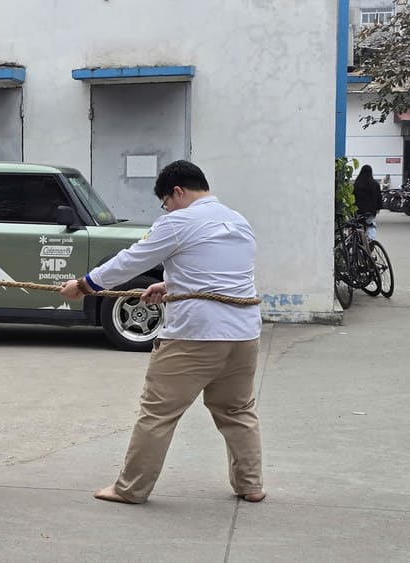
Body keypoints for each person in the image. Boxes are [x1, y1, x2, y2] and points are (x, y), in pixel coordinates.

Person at [59, 160, 264, 505]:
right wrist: (170, 284)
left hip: (196, 336)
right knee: (237, 411)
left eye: (165, 201)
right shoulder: (236, 220)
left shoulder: (178, 221)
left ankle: (131, 488)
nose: (165, 209)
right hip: (244, 334)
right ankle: (251, 484)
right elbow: (219, 272)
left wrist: (84, 285)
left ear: (178, 192)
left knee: (157, 413)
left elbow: (131, 260)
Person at [354, 164, 382, 241]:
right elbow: (379, 198)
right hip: (371, 211)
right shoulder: (375, 184)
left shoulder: (356, 184)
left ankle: (358, 243)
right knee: (370, 225)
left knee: (357, 227)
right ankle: (371, 241)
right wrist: (378, 208)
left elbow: (353, 198)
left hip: (358, 211)